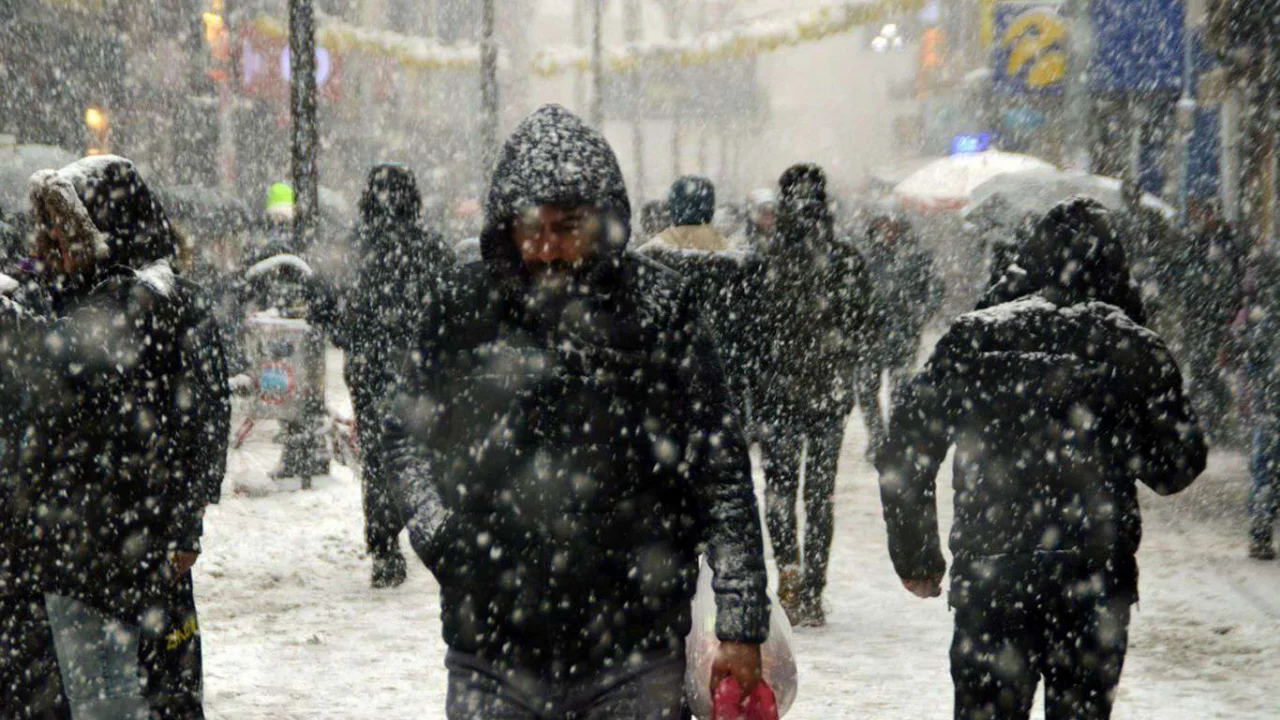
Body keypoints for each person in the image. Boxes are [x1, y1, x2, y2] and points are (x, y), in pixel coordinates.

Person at [385, 105, 770, 719]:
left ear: (604, 220)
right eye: (528, 228)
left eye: (566, 227)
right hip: (492, 649)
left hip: (637, 651)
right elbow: (403, 436)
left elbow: (719, 471)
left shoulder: (661, 310)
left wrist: (742, 620)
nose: (546, 249)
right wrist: (444, 539)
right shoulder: (462, 308)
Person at [876, 198, 1207, 720]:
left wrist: (917, 555)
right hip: (1093, 579)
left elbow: (906, 448)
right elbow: (1176, 467)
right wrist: (1116, 431)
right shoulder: (1131, 347)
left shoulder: (974, 338)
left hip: (992, 574)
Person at [0, 155, 227, 719]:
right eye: (48, 229)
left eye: (66, 229)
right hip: (94, 547)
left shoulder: (148, 302)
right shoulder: (77, 298)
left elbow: (200, 422)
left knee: (121, 693)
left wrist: (183, 522)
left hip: (119, 547)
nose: (52, 242)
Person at [746, 164, 873, 627]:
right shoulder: (845, 260)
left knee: (780, 493)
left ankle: (791, 573)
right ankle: (813, 588)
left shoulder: (763, 263)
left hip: (778, 394)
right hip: (827, 393)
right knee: (819, 497)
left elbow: (750, 337)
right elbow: (865, 326)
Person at [317, 163, 455, 588]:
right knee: (420, 447)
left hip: (369, 363)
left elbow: (325, 304)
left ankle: (383, 544)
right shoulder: (430, 247)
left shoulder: (352, 247)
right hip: (417, 362)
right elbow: (452, 302)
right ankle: (421, 525)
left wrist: (352, 338)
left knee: (378, 455)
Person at [637, 175, 751, 419]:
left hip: (665, 383)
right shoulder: (736, 258)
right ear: (710, 208)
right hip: (724, 378)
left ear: (673, 207)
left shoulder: (647, 258)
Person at [856, 213, 943, 458]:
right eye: (883, 226)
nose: (889, 232)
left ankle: (894, 438)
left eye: (893, 227)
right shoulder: (865, 256)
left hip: (904, 334)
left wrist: (920, 313)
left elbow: (935, 289)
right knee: (865, 388)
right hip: (870, 335)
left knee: (901, 390)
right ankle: (877, 436)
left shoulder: (917, 257)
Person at [1230, 245, 1280, 559]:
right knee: (1265, 466)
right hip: (1271, 397)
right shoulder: (1263, 313)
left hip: (1270, 400)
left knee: (1265, 467)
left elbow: (1252, 350)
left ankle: (1260, 532)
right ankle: (1260, 531)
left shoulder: (1264, 313)